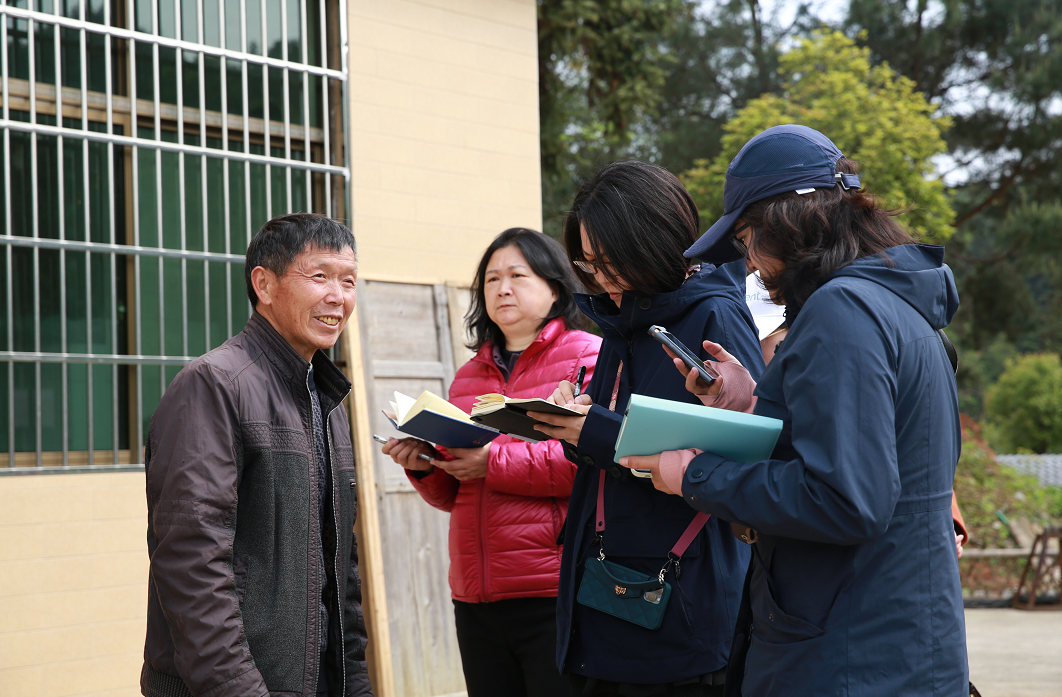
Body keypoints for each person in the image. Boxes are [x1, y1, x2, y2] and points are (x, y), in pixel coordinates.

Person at [620, 125, 967, 696]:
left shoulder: (843, 312)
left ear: (791, 221)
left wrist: (693, 475)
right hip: (896, 645)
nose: (751, 263)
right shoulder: (896, 304)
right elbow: (862, 450)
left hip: (848, 657)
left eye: (750, 236)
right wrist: (747, 402)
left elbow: (847, 500)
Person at [527, 161, 766, 696]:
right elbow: (615, 442)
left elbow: (737, 457)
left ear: (654, 241)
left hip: (684, 601)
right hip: (610, 591)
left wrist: (594, 431)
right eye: (588, 264)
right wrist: (573, 426)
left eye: (610, 261)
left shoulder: (715, 318)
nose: (600, 278)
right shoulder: (621, 321)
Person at [141, 214, 372, 697]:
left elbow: (341, 569)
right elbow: (191, 561)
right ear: (264, 284)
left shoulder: (326, 399)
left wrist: (355, 682)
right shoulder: (213, 384)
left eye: (348, 281)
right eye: (320, 276)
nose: (338, 296)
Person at [382, 228, 601, 697]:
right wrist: (423, 466)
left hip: (552, 589)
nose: (502, 288)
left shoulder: (585, 356)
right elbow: (459, 492)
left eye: (517, 276)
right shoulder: (469, 374)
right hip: (475, 592)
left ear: (555, 286)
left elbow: (586, 463)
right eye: (492, 279)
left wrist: (491, 461)